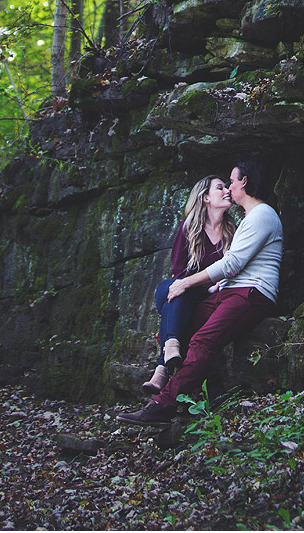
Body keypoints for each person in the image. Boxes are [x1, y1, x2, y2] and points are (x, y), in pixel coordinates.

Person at [119, 158, 283, 426]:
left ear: (244, 182)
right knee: (177, 323)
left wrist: (186, 283)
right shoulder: (249, 219)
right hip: (231, 291)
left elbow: (232, 264)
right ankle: (180, 382)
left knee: (202, 341)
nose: (229, 187)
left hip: (252, 293)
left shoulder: (263, 215)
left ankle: (163, 405)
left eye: (231, 181)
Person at [141, 175, 236, 397]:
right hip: (188, 292)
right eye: (220, 188)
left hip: (211, 296)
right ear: (205, 198)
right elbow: (180, 271)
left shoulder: (234, 230)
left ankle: (162, 366)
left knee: (173, 298)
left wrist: (207, 286)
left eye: (226, 187)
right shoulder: (189, 228)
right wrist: (196, 285)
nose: (227, 191)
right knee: (172, 288)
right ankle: (171, 346)